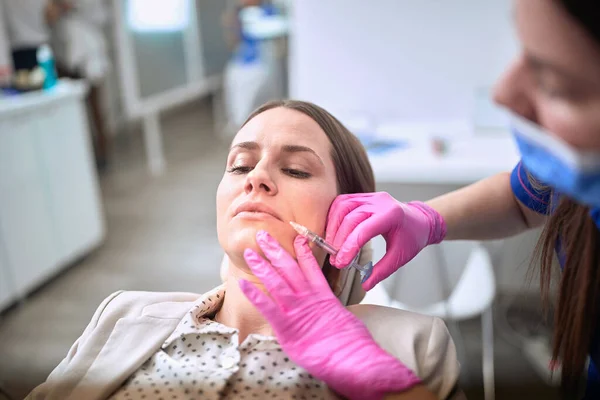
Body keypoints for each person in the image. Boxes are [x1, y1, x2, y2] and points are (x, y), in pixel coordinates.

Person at [26, 100, 462, 400]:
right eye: (239, 164)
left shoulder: (413, 345)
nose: (256, 177)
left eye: (295, 169)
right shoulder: (123, 315)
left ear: (349, 217)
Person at [276, 0, 598, 399]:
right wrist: (425, 219)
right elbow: (523, 199)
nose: (501, 95)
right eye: (238, 165)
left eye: (554, 82)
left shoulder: (416, 343)